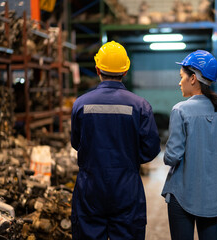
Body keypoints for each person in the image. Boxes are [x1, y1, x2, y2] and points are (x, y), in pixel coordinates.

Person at [70, 41, 161, 240]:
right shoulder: (140, 106)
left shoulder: (81, 104)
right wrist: (128, 157)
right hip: (126, 188)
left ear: (97, 70)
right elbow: (151, 149)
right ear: (125, 71)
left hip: (90, 189)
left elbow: (77, 143)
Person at [161, 50, 217, 240]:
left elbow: (172, 157)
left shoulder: (180, 110)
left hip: (184, 193)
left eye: (181, 77)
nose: (179, 82)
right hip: (215, 194)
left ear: (193, 78)